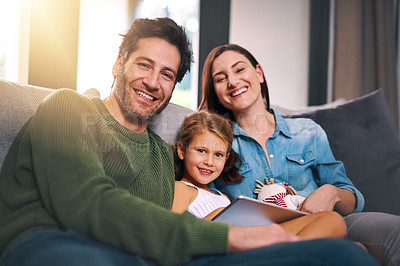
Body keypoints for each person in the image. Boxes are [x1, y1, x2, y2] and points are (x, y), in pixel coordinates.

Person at [0, 18, 380, 266]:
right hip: (51, 244)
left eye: (167, 74)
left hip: (147, 254)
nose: (153, 82)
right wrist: (231, 237)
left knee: (345, 256)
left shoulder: (161, 157)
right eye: (144, 65)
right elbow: (90, 204)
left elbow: (195, 188)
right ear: (119, 64)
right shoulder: (68, 108)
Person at [199, 43, 400, 266]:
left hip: (326, 226)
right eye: (220, 78)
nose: (233, 82)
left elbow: (351, 198)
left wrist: (331, 192)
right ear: (215, 92)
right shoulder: (216, 145)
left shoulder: (307, 131)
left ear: (258, 74)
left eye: (239, 70)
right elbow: (209, 203)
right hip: (257, 239)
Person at [172, 110, 348, 240]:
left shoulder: (223, 195)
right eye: (201, 151)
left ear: (226, 158)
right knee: (334, 224)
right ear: (181, 150)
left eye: (217, 155)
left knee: (337, 226)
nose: (209, 162)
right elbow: (174, 234)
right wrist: (220, 215)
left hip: (255, 238)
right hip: (229, 247)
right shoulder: (181, 189)